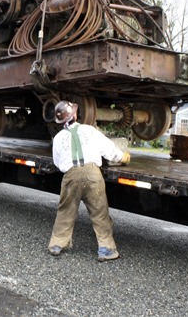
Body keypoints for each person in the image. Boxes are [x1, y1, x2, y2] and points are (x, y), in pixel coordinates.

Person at [48, 100, 131, 262]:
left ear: (60, 121)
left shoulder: (58, 138)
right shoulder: (89, 130)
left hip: (70, 176)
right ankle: (106, 249)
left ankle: (57, 245)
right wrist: (122, 157)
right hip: (93, 175)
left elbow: (57, 163)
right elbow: (109, 150)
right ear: (75, 115)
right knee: (99, 213)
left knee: (65, 211)